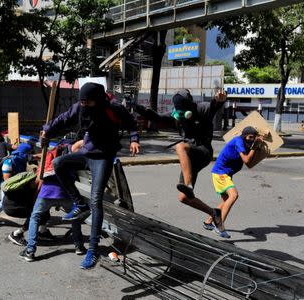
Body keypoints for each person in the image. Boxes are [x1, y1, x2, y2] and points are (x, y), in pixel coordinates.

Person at [41, 82, 140, 269]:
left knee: (96, 200)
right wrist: (47, 129)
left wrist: (134, 139)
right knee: (58, 164)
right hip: (87, 152)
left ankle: (92, 250)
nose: (84, 105)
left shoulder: (113, 108)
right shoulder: (81, 106)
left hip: (103, 157)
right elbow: (63, 119)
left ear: (99, 100)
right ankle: (78, 204)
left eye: (88, 102)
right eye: (83, 102)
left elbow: (132, 122)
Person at [135, 89, 227, 233]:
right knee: (184, 198)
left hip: (203, 151)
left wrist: (218, 100)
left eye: (183, 109)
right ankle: (213, 212)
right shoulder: (177, 116)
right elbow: (157, 118)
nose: (181, 114)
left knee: (181, 146)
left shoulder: (201, 108)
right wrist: (138, 108)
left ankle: (188, 184)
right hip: (189, 159)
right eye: (178, 110)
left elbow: (213, 107)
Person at [20, 142, 86, 262]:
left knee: (35, 217)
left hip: (47, 193)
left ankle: (30, 250)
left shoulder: (50, 158)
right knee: (75, 216)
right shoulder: (72, 159)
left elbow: (41, 176)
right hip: (66, 194)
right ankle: (79, 246)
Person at [203, 126, 263, 238]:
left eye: (254, 138)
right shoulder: (238, 141)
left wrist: (257, 146)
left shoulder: (246, 143)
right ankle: (219, 226)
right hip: (221, 173)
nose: (252, 139)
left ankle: (208, 222)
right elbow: (246, 160)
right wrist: (254, 147)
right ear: (245, 135)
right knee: (234, 195)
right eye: (250, 137)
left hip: (225, 173)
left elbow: (249, 164)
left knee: (226, 201)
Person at [0, 142, 31, 226]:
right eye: (28, 153)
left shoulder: (21, 160)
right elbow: (7, 179)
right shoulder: (9, 161)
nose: (29, 156)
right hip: (8, 185)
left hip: (17, 185)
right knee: (4, 203)